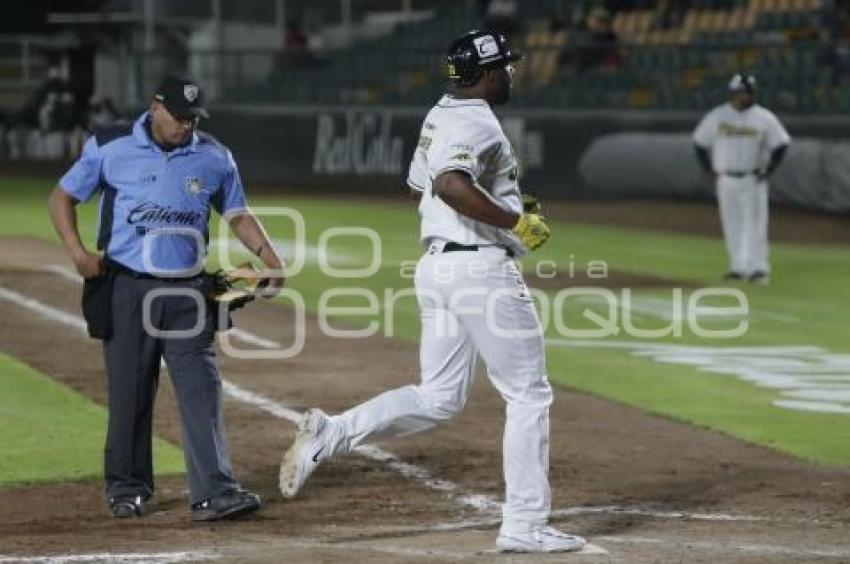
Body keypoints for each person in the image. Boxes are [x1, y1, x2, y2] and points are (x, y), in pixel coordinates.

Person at [278, 31, 586, 554]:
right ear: (486, 74)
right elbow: (447, 184)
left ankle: (332, 432)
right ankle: (525, 524)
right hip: (479, 271)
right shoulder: (475, 119)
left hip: (439, 268)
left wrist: (503, 201)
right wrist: (514, 220)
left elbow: (428, 184)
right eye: (505, 67)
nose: (511, 72)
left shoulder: (443, 110)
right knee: (528, 394)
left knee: (440, 397)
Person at [47, 75, 285, 520]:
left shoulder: (215, 156)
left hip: (189, 291)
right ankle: (127, 487)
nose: (186, 126)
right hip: (127, 287)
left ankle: (214, 490)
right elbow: (62, 197)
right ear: (155, 107)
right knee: (130, 392)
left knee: (202, 390)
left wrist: (270, 256)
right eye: (178, 116)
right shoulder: (110, 145)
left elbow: (237, 212)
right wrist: (78, 254)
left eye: (193, 118)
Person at [693, 73, 791, 285]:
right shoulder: (717, 116)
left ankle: (759, 268)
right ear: (732, 93)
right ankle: (737, 266)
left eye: (746, 92)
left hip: (752, 178)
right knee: (731, 222)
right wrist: (707, 168)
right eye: (739, 92)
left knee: (755, 223)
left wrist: (770, 169)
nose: (743, 96)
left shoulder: (764, 117)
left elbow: (782, 143)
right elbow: (699, 142)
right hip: (726, 178)